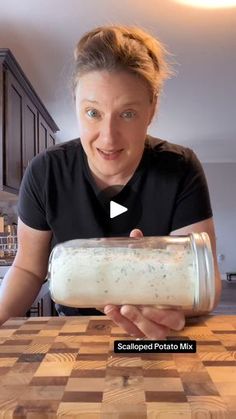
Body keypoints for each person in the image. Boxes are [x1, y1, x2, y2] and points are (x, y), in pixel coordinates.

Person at [0, 25, 221, 340]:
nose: (108, 137)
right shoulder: (45, 172)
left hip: (153, 334)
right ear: (76, 103)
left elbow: (204, 280)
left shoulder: (180, 169)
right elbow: (28, 269)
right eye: (93, 112)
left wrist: (170, 307)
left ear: (152, 109)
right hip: (72, 334)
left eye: (127, 114)